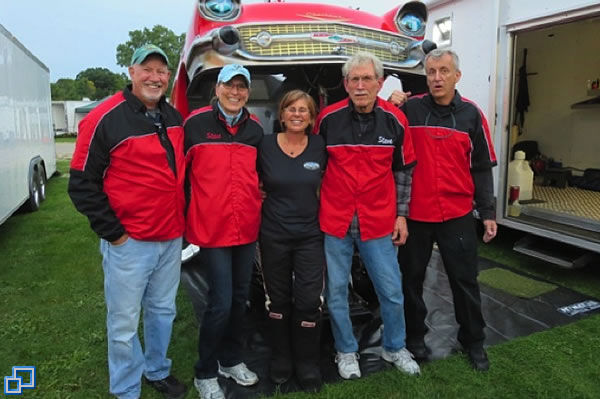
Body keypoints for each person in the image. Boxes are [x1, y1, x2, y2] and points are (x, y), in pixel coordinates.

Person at [68, 44, 187, 399]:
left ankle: (156, 369)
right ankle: (125, 390)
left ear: (169, 77)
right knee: (123, 323)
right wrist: (115, 234)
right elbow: (81, 184)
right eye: (146, 69)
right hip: (130, 242)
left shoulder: (174, 117)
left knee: (163, 311)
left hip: (170, 238)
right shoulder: (104, 117)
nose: (155, 77)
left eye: (161, 71)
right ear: (131, 72)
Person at [389, 49, 497, 371]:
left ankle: (473, 341)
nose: (437, 78)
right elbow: (381, 130)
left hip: (457, 214)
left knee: (465, 281)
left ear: (456, 76)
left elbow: (481, 167)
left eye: (443, 71)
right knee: (411, 280)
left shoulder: (471, 115)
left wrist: (488, 212)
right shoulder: (409, 109)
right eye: (431, 71)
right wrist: (390, 105)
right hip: (416, 215)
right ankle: (414, 339)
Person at [315, 51, 420, 379]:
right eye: (354, 79)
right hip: (336, 220)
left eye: (367, 79)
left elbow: (404, 171)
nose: (361, 85)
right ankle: (346, 351)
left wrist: (401, 215)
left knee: (390, 289)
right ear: (345, 84)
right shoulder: (328, 119)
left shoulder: (395, 120)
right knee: (335, 291)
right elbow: (315, 170)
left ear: (379, 82)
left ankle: (394, 346)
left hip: (378, 221)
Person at [184, 64, 263, 399]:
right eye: (229, 85)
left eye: (241, 87)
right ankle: (205, 371)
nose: (235, 92)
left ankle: (230, 360)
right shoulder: (194, 125)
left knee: (240, 300)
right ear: (217, 88)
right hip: (212, 229)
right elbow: (178, 177)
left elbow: (261, 176)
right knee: (220, 302)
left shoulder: (255, 130)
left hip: (246, 228)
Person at [258, 90, 327, 391]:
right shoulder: (265, 145)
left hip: (310, 235)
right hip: (273, 234)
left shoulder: (320, 146)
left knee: (309, 299)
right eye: (291, 109)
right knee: (279, 299)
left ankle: (307, 361)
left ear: (312, 118)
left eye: (304, 110)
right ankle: (282, 358)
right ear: (282, 114)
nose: (297, 114)